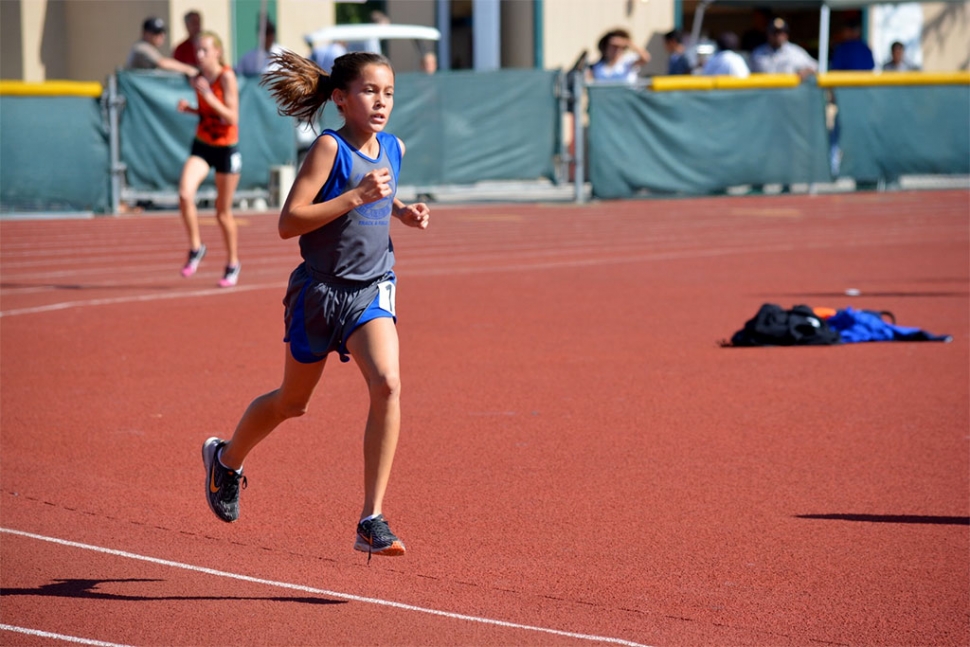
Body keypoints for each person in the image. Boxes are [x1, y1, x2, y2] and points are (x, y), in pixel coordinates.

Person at [201, 50, 431, 559]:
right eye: (370, 91)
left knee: (388, 383)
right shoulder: (329, 148)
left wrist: (402, 212)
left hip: (371, 289)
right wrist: (356, 196)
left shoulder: (393, 147)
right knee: (292, 403)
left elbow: (381, 193)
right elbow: (290, 222)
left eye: (388, 92)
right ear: (340, 98)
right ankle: (227, 459)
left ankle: (371, 518)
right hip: (319, 293)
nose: (381, 101)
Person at [176, 31, 242, 288]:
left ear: (217, 51)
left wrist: (209, 97)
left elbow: (232, 117)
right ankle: (196, 247)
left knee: (222, 212)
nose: (199, 55)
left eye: (204, 50)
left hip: (226, 149)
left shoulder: (226, 77)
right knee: (184, 194)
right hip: (203, 144)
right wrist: (191, 108)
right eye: (197, 51)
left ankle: (233, 262)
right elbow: (207, 116)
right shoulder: (199, 78)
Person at [125, 17, 199, 76]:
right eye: (156, 32)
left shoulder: (149, 47)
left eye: (162, 32)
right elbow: (162, 63)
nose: (161, 36)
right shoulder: (141, 47)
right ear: (145, 33)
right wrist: (189, 69)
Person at [750, 18, 817, 78]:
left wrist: (807, 71)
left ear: (786, 34)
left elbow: (816, 66)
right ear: (768, 33)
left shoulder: (795, 51)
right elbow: (748, 73)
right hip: (764, 90)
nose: (777, 36)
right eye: (774, 32)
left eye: (781, 32)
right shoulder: (758, 52)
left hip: (788, 91)